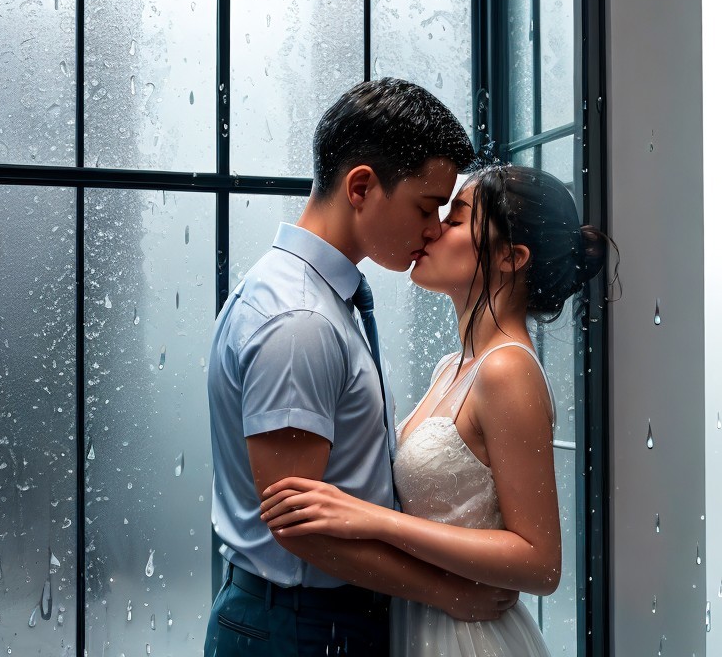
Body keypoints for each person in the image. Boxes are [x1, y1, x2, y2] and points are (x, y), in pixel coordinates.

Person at [204, 79, 518, 657]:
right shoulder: (299, 320)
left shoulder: (318, 300)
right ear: (362, 187)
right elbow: (298, 526)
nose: (433, 229)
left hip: (316, 619)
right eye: (426, 207)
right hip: (299, 628)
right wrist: (446, 594)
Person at [260, 164, 613, 656]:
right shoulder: (454, 366)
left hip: (471, 636)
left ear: (511, 256)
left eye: (455, 217)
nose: (432, 229)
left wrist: (372, 519)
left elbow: (540, 562)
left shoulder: (507, 371)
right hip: (428, 620)